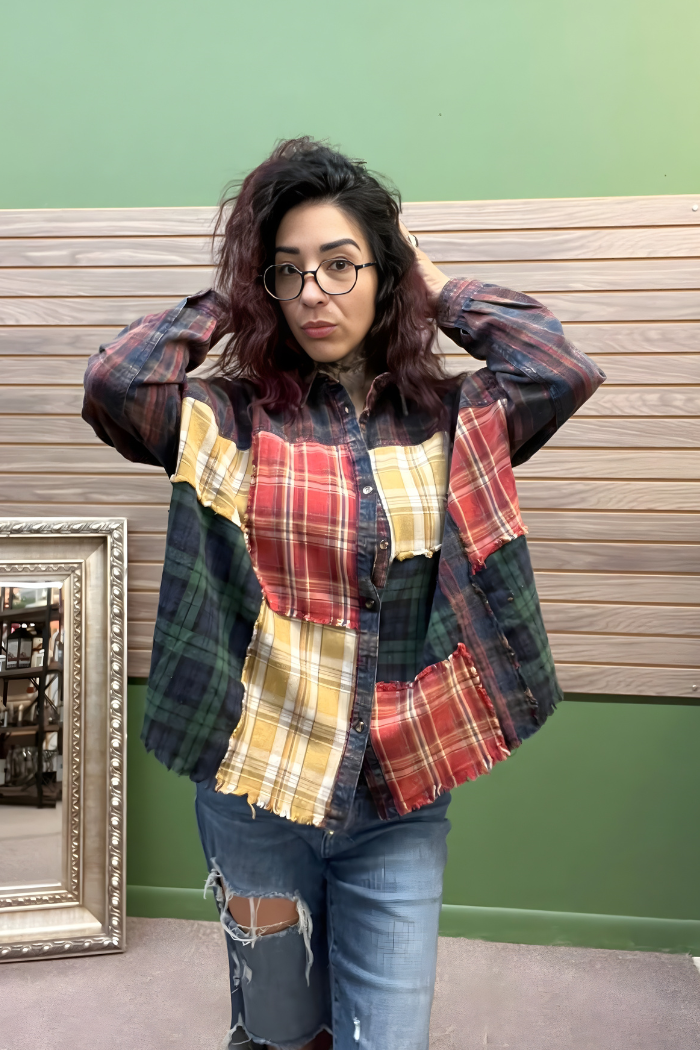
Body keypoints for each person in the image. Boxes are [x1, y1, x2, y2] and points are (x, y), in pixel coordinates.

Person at [82, 138, 604, 1050]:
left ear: (383, 270)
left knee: (386, 1039)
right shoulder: (226, 416)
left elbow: (556, 366)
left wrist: (431, 279)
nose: (314, 293)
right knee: (280, 1032)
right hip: (255, 792)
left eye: (339, 264)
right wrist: (237, 285)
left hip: (395, 795)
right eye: (288, 274)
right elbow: (116, 383)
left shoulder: (454, 415)